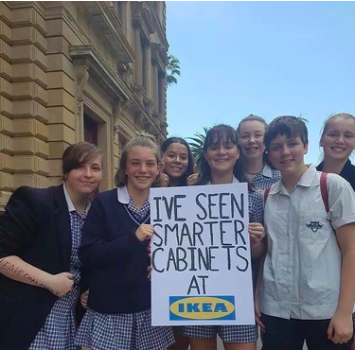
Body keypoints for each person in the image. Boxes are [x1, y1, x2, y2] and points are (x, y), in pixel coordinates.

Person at [258, 116, 355, 350]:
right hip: (276, 309)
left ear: (306, 146)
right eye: (276, 147)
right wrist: (255, 298)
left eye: (292, 143)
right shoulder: (266, 196)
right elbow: (266, 253)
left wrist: (344, 313)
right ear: (268, 153)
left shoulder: (332, 186)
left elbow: (351, 250)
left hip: (324, 309)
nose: (285, 152)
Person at [75, 133, 174, 350]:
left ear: (158, 169)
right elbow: (88, 254)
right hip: (109, 312)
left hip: (150, 311)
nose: (143, 170)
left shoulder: (169, 206)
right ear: (125, 168)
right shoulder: (104, 202)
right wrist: (133, 238)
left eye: (150, 164)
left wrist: (169, 269)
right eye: (135, 163)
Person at [0, 142, 103, 350]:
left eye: (95, 168)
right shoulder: (35, 201)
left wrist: (92, 290)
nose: (88, 174)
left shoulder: (100, 214)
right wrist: (49, 281)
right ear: (65, 171)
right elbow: (3, 256)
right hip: (32, 322)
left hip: (76, 326)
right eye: (79, 167)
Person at [180, 124, 265, 350]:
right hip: (197, 296)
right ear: (206, 155)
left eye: (228, 146)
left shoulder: (253, 197)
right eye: (214, 147)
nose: (221, 152)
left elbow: (259, 254)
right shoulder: (186, 197)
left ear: (238, 153)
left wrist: (255, 241)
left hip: (239, 295)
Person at [160, 136, 194, 350]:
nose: (177, 161)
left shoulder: (197, 188)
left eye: (183, 157)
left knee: (179, 339)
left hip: (185, 277)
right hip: (152, 275)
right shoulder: (144, 185)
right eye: (171, 155)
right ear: (161, 158)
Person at [237, 114, 281, 192]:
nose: (251, 141)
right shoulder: (230, 177)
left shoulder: (280, 178)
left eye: (257, 135)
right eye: (245, 136)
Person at [317, 113, 355, 191]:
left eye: (348, 136)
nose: (340, 140)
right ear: (321, 140)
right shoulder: (306, 179)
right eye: (333, 134)